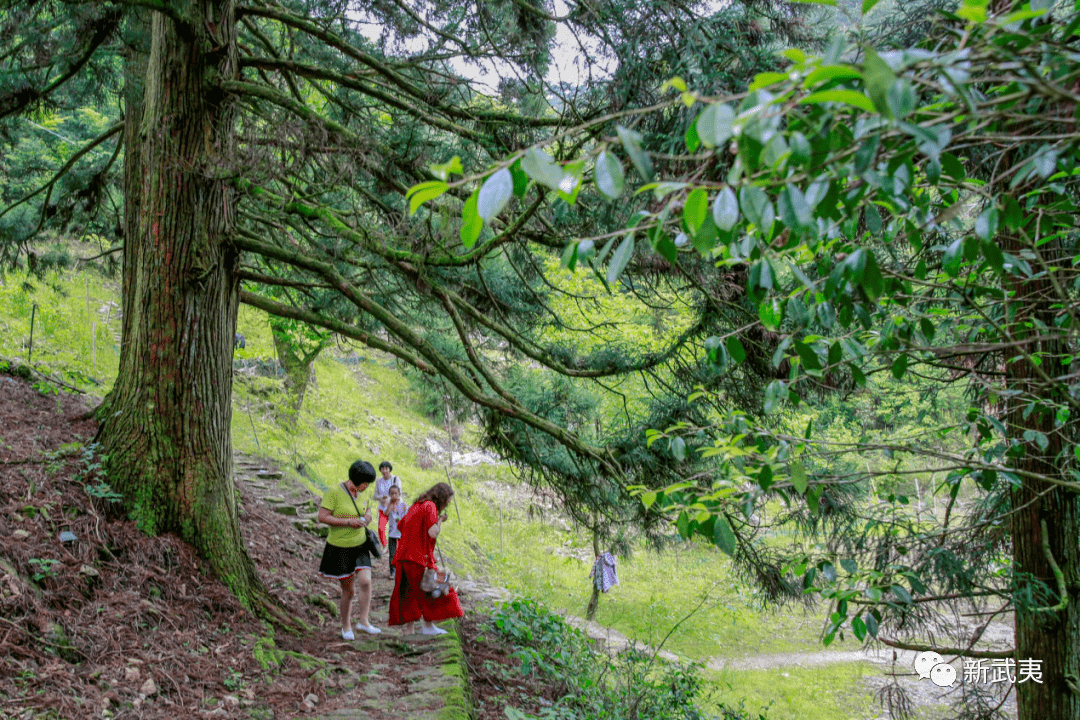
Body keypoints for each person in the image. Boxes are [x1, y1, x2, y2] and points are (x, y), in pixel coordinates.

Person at [318, 460, 383, 639]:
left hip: (361, 544)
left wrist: (367, 518)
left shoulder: (364, 493)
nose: (367, 486)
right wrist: (348, 522)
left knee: (365, 582)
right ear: (357, 481)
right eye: (366, 483)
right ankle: (346, 626)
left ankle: (363, 622)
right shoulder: (334, 492)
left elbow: (368, 510)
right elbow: (322, 517)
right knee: (349, 590)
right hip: (340, 548)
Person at [388, 482, 463, 635]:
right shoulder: (430, 507)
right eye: (447, 500)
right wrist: (440, 520)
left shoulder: (416, 505)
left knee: (409, 593)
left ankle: (410, 630)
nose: (447, 503)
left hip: (403, 556)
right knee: (434, 589)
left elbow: (401, 526)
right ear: (441, 497)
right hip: (419, 557)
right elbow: (432, 533)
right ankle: (428, 626)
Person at [374, 461, 403, 548]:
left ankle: (397, 548)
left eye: (386, 468)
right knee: (381, 528)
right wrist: (381, 497)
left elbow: (399, 493)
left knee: (395, 529)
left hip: (394, 508)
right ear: (381, 470)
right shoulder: (379, 481)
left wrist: (390, 499)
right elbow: (375, 495)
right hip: (383, 507)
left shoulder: (395, 479)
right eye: (383, 468)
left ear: (389, 469)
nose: (385, 470)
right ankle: (385, 546)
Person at [385, 484, 408, 580]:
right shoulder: (389, 504)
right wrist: (390, 504)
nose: (394, 495)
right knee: (392, 553)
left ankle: (404, 571)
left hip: (402, 532)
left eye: (395, 493)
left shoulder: (403, 505)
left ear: (399, 494)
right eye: (392, 494)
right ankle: (392, 571)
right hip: (392, 533)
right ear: (389, 494)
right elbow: (386, 514)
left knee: (404, 552)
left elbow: (407, 518)